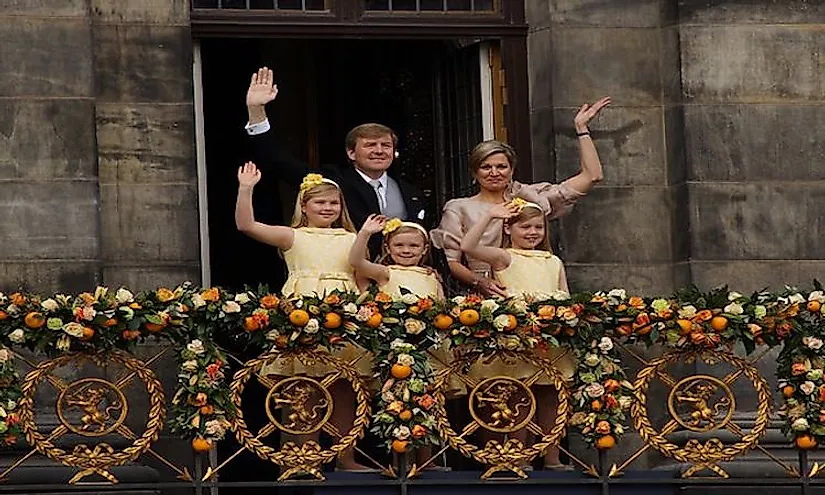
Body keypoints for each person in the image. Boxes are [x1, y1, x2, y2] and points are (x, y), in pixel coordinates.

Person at [235, 162, 371, 472]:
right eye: (320, 202)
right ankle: (298, 456)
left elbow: (363, 280)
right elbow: (247, 225)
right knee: (301, 384)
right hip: (302, 313)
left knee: (344, 386)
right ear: (305, 206)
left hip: (343, 314)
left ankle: (345, 457)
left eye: (333, 203)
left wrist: (363, 310)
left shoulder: (353, 238)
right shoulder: (292, 236)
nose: (327, 208)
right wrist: (246, 189)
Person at [431, 97, 610, 297]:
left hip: (534, 289)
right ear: (474, 173)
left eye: (501, 166)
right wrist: (480, 282)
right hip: (484, 295)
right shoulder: (459, 207)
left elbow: (592, 176)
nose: (494, 172)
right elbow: (452, 261)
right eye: (486, 167)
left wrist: (581, 129)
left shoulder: (529, 199)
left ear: (511, 169)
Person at [244, 67, 426, 255]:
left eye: (386, 145)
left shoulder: (410, 191)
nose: (379, 151)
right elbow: (279, 162)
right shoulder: (333, 180)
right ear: (351, 153)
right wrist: (256, 111)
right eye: (370, 145)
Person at [460, 198, 575, 470]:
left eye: (538, 227)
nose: (533, 232)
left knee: (550, 395)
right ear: (509, 229)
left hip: (550, 339)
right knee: (515, 394)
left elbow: (565, 296)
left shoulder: (553, 260)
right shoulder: (504, 256)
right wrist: (491, 216)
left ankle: (551, 456)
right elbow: (467, 246)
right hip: (515, 337)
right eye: (525, 227)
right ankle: (515, 454)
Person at [348, 214, 464, 469]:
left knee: (426, 402)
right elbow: (355, 261)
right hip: (395, 350)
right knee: (397, 402)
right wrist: (366, 232)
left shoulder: (432, 276)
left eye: (413, 246)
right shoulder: (385, 273)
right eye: (399, 245)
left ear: (424, 250)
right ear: (388, 248)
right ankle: (399, 463)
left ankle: (426, 461)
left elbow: (442, 309)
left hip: (428, 350)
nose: (406, 250)